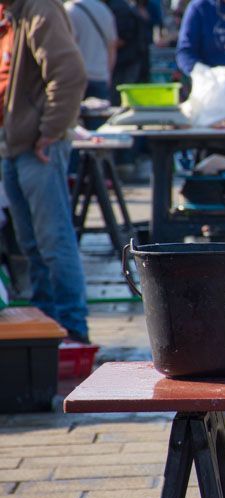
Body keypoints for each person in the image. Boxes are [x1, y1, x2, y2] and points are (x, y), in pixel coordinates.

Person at [0, 0, 90, 343]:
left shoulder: (40, 9)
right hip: (16, 145)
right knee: (33, 246)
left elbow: (69, 74)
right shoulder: (14, 14)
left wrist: (50, 131)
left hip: (37, 147)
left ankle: (73, 331)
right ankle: (49, 330)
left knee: (53, 242)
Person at [65, 0, 118, 100]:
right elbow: (112, 46)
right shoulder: (105, 10)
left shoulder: (70, 9)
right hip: (100, 76)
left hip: (75, 77)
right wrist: (108, 74)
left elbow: (67, 45)